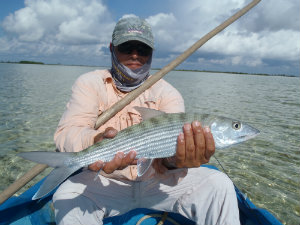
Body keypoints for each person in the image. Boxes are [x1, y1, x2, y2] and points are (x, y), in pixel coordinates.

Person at [53, 16, 240, 225]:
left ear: (151, 53)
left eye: (143, 50)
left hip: (159, 184)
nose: (135, 55)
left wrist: (177, 160)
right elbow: (68, 132)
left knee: (219, 184)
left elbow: (167, 158)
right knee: (65, 197)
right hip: (105, 182)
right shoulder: (90, 83)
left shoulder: (168, 93)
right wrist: (96, 142)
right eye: (127, 47)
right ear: (111, 48)